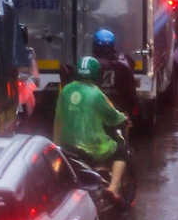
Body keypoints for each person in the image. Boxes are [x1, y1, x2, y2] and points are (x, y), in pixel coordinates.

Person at [54, 57, 131, 200]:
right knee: (123, 151)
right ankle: (113, 189)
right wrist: (124, 119)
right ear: (97, 74)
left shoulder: (66, 90)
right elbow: (113, 117)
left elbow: (58, 116)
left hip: (65, 145)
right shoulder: (97, 94)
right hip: (91, 147)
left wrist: (57, 143)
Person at [91, 29, 140, 124]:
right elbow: (131, 92)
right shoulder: (122, 66)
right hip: (118, 111)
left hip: (95, 112)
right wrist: (133, 111)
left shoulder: (91, 65)